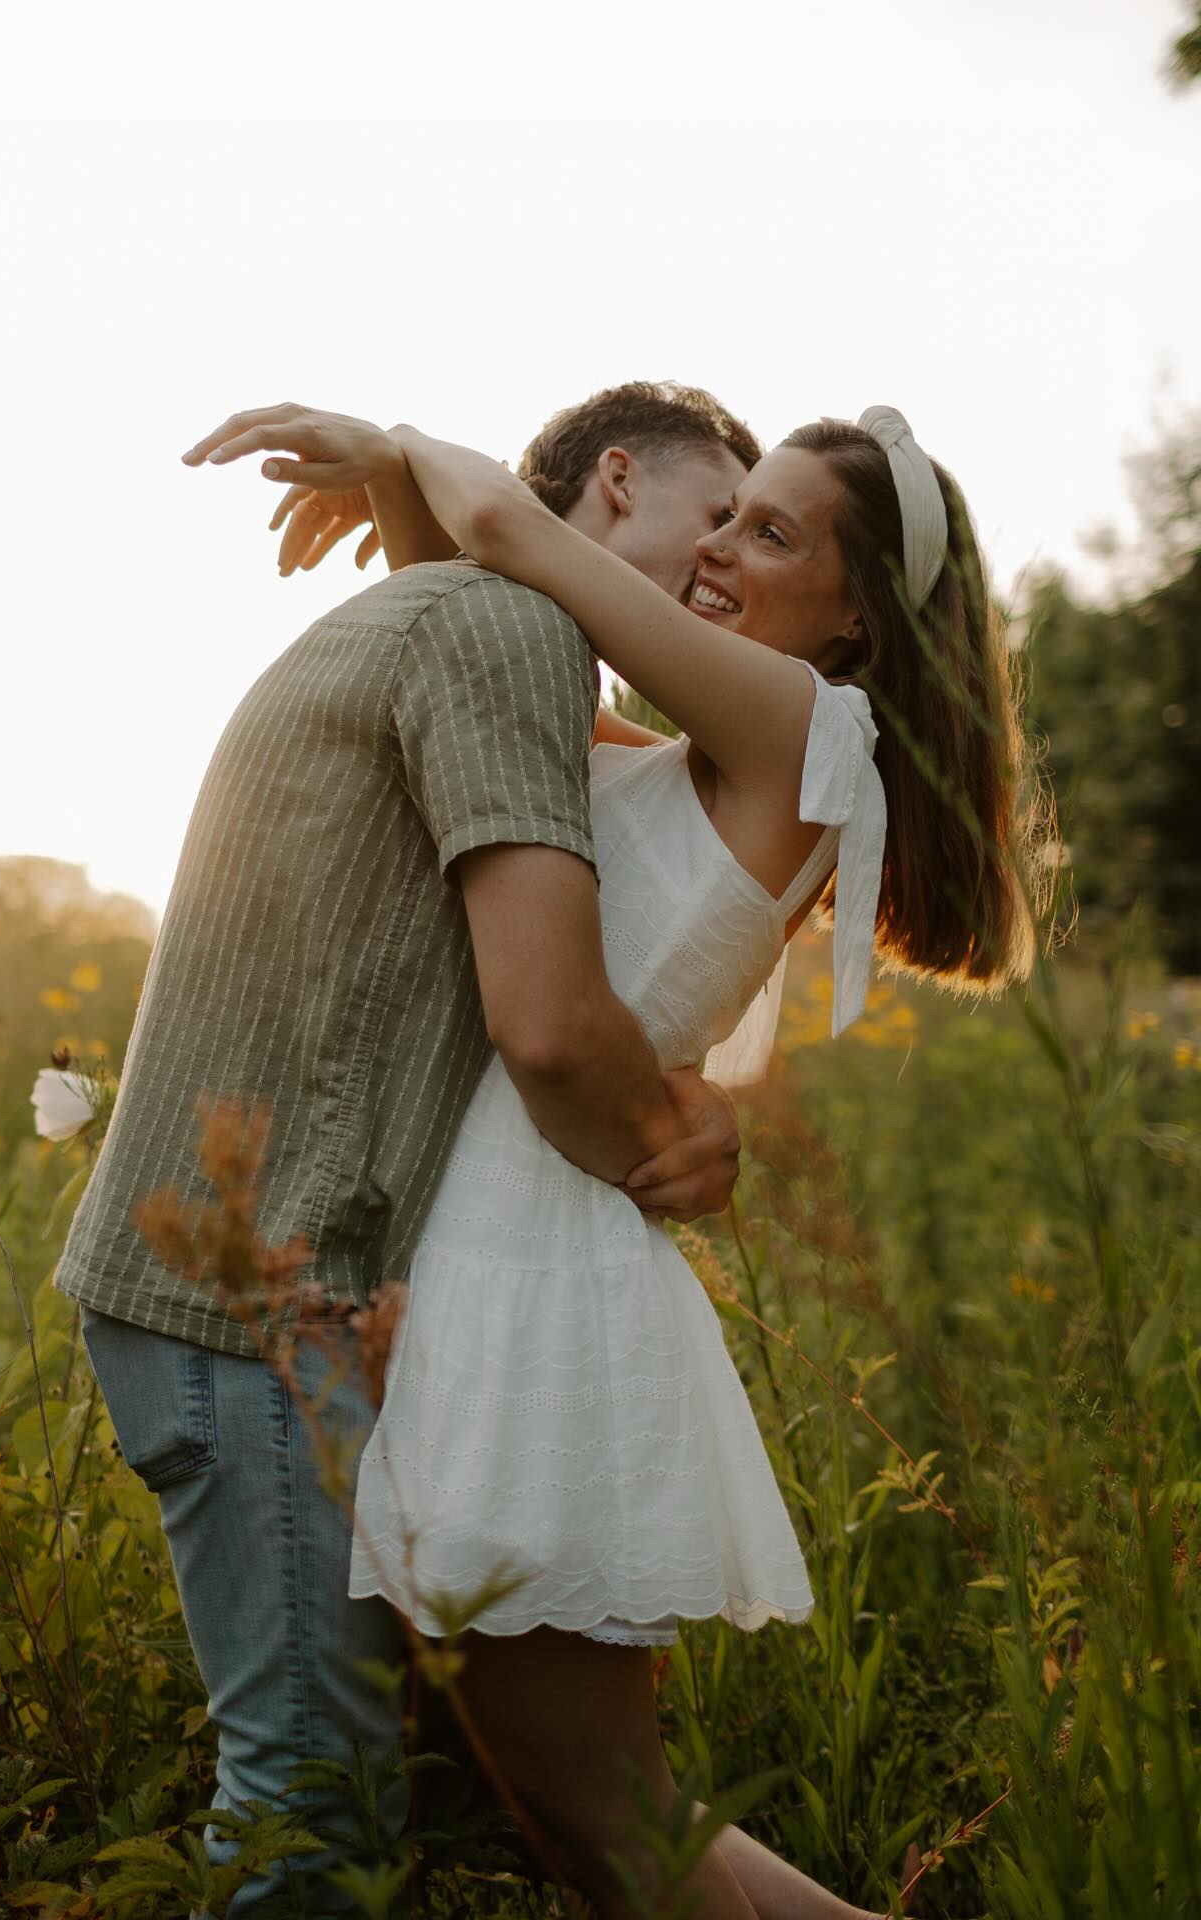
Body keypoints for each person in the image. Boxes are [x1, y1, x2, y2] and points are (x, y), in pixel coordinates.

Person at [193, 398, 1046, 1919]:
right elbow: (485, 633)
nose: (718, 549)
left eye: (770, 532)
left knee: (615, 1825)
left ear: (861, 620)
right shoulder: (705, 748)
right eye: (727, 515)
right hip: (489, 1259)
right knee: (580, 1834)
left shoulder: (808, 732)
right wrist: (400, 489)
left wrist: (389, 431)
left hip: (530, 1282)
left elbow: (515, 532)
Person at [55, 383, 761, 1913]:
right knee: (313, 1816)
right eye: (718, 519)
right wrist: (678, 1148)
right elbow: (555, 1027)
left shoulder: (492, 633)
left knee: (453, 1798)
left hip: (285, 1303)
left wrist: (398, 477)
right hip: (255, 1314)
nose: (725, 568)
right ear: (617, 480)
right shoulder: (504, 633)